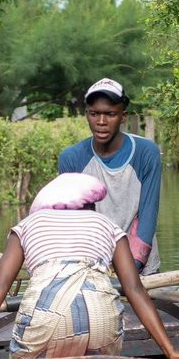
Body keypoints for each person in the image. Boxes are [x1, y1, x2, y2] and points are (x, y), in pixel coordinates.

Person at [0, 172, 179, 359]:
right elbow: (134, 289)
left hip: (42, 326)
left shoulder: (26, 225)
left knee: (23, 357)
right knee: (104, 330)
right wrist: (170, 350)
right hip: (102, 327)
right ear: (90, 205)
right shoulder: (108, 225)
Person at [58, 77, 162, 275]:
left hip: (140, 267)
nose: (101, 122)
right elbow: (73, 222)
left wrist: (131, 268)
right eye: (94, 114)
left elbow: (147, 215)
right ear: (87, 115)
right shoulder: (71, 158)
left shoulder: (146, 153)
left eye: (110, 114)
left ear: (123, 116)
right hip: (91, 267)